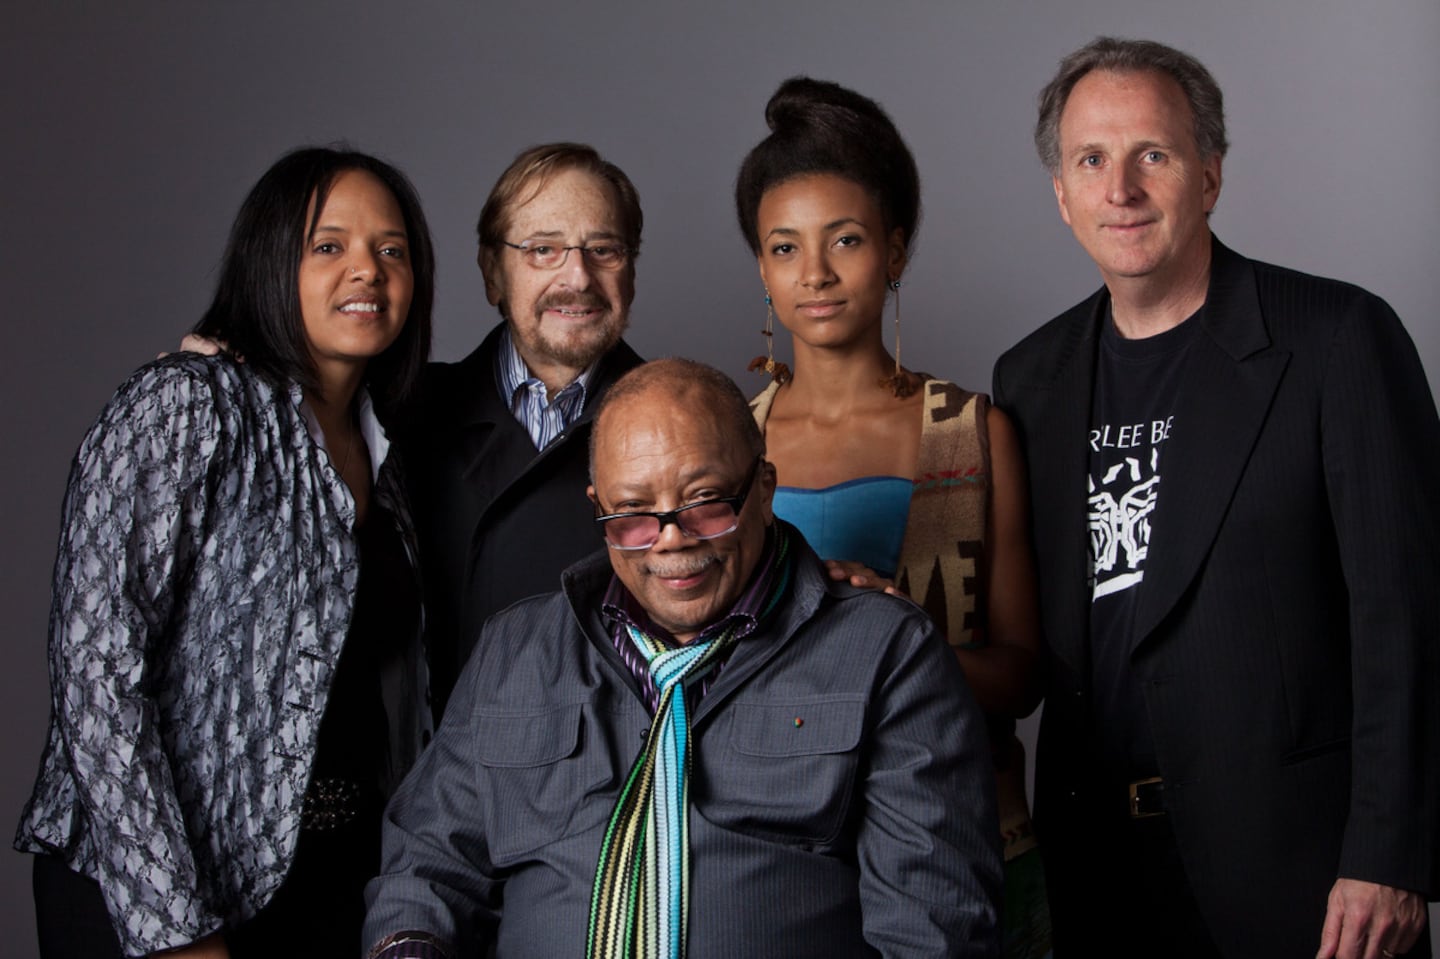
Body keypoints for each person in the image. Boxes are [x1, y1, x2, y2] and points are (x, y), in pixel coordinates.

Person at [993, 36, 1440, 958]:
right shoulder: (1030, 379)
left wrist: (1391, 854)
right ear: (1062, 194)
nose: (1120, 187)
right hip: (1097, 866)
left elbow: (1411, 617)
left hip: (1305, 875)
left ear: (1210, 174)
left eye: (1151, 154)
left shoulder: (1337, 340)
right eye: (1091, 160)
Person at [363, 358, 1002, 959]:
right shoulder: (515, 650)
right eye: (633, 515)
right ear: (596, 508)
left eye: (705, 504)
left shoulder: (886, 652)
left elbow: (934, 928)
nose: (670, 541)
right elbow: (427, 862)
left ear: (765, 487)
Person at [14, 147, 436, 958]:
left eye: (392, 250)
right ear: (270, 260)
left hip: (327, 880)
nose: (367, 272)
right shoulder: (188, 404)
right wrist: (175, 924)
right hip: (152, 882)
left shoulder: (394, 451)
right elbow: (97, 672)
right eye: (328, 245)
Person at [735, 77, 1049, 957]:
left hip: (969, 843)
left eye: (846, 240)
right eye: (785, 247)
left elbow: (1022, 675)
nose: (817, 274)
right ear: (761, 267)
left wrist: (897, 630)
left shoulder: (976, 432)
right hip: (782, 863)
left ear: (895, 251)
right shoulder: (729, 449)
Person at [399, 142, 644, 715]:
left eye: (603, 249)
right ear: (492, 273)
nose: (577, 276)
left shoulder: (680, 429)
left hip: (610, 787)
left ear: (630, 270)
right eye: (543, 250)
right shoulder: (407, 413)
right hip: (438, 783)